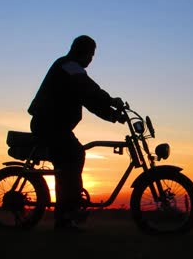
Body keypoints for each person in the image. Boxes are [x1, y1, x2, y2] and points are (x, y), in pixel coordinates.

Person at [28, 35, 125, 231]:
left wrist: (113, 116)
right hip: (48, 124)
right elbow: (88, 88)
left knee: (70, 160)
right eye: (91, 54)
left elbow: (89, 100)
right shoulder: (69, 65)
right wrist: (111, 100)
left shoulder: (71, 69)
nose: (91, 59)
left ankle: (67, 213)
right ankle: (68, 212)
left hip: (54, 125)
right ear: (82, 51)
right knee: (74, 154)